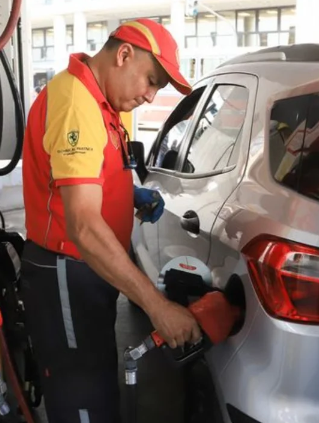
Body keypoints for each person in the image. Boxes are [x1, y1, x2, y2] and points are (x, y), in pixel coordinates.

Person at [20, 19, 201, 422]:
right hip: (66, 272)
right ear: (124, 55)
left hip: (88, 271)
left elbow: (84, 179)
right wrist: (157, 306)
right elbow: (83, 225)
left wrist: (126, 194)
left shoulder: (99, 101)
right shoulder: (75, 102)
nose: (151, 96)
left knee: (96, 381)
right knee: (83, 397)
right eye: (151, 81)